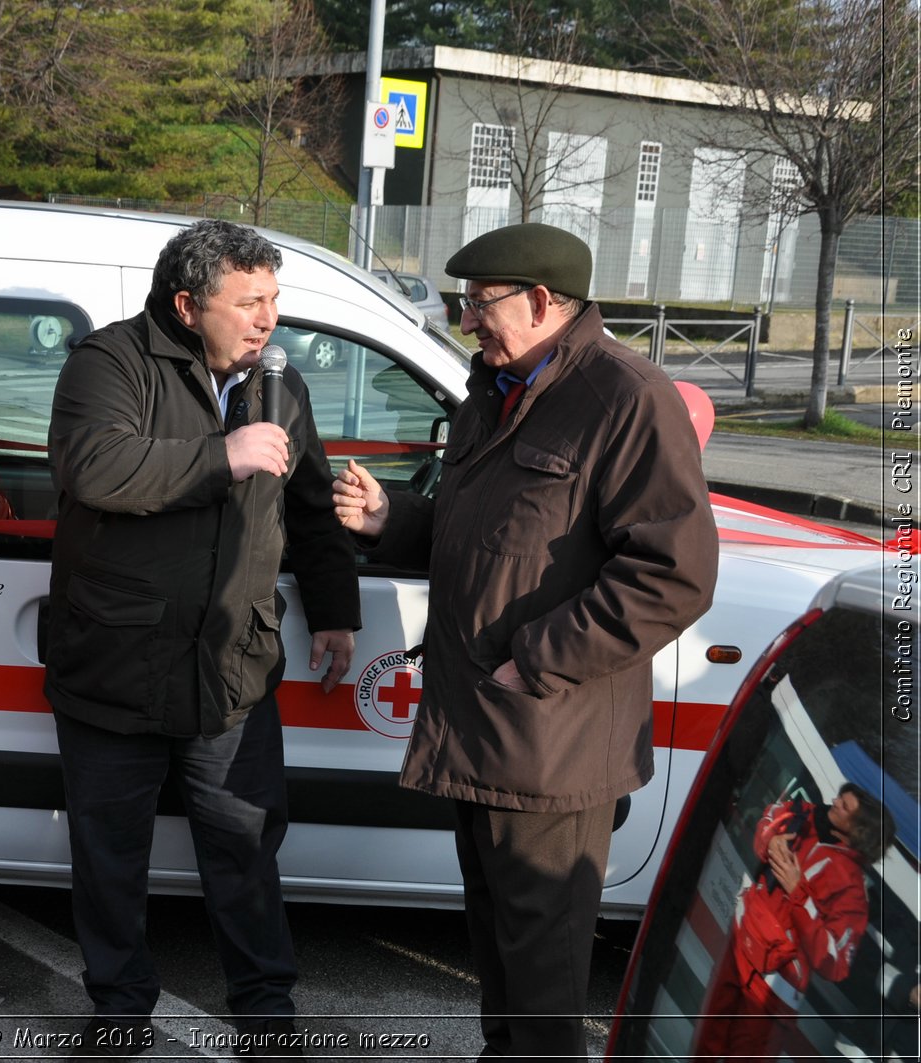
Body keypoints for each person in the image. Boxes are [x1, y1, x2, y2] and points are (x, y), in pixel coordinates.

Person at [333, 222, 719, 1060]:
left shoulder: (626, 397)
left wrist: (536, 657)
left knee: (542, 999)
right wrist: (391, 520)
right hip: (482, 732)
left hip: (551, 743)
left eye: (480, 304)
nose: (468, 321)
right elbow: (486, 537)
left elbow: (674, 574)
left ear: (542, 301)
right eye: (463, 304)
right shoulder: (498, 385)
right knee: (501, 971)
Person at [45, 218, 359, 1056]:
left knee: (246, 850)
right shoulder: (108, 362)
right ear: (187, 304)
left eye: (274, 299)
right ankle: (119, 1009)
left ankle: (265, 1011)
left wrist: (335, 608)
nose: (268, 319)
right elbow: (97, 468)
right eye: (248, 301)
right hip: (114, 666)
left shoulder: (278, 383)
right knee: (110, 861)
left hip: (232, 669)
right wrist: (223, 455)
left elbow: (313, 507)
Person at [693, 783, 892, 1061]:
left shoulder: (852, 890)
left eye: (844, 806)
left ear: (861, 830)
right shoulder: (802, 813)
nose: (834, 802)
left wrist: (799, 892)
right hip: (738, 946)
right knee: (703, 1049)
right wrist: (770, 839)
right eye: (839, 798)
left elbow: (834, 962)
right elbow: (768, 817)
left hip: (774, 989)